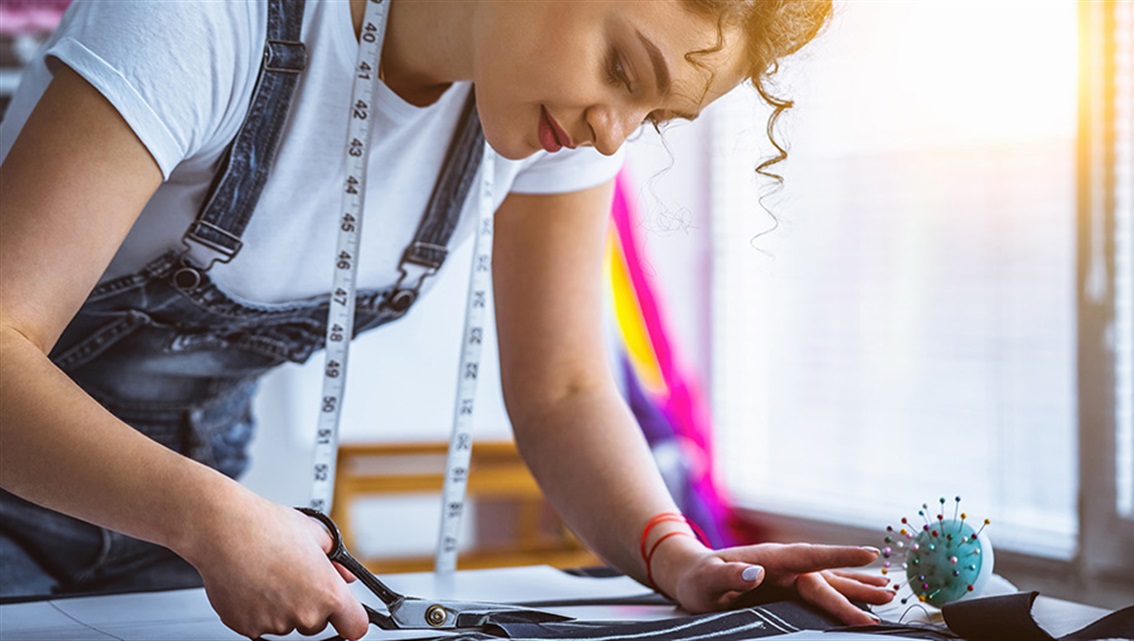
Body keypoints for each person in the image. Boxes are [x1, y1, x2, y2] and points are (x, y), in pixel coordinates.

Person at [0, 1, 897, 639]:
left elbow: (565, 388)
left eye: (656, 115)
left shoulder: (552, 123)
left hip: (174, 528)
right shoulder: (202, 21)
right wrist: (213, 521)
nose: (615, 134)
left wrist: (674, 554)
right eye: (626, 69)